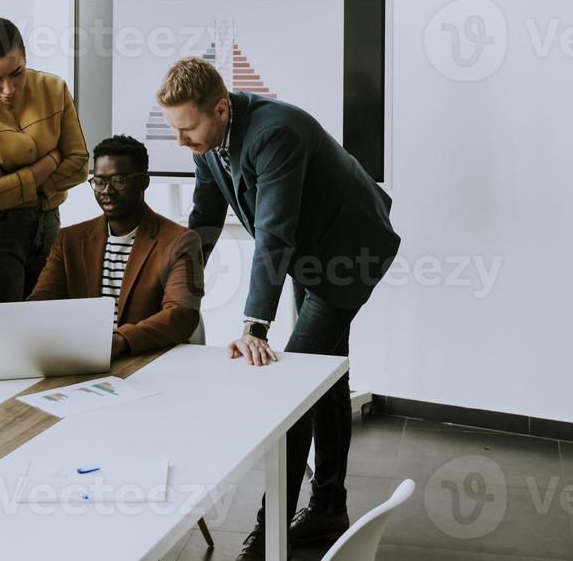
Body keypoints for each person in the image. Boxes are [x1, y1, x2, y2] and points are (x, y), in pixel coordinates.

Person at [157, 58, 401, 559]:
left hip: (348, 255)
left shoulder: (277, 132)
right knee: (324, 378)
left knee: (290, 390)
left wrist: (255, 325)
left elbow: (274, 233)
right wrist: (177, 287)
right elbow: (204, 220)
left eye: (187, 130)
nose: (181, 142)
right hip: (309, 256)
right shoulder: (208, 142)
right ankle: (330, 508)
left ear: (221, 108)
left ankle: (271, 535)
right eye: (174, 131)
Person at [0, 17, 89, 304]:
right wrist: (49, 161)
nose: (8, 89)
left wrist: (7, 174)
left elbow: (80, 166)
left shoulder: (54, 88)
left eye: (16, 73)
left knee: (48, 323)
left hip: (48, 223)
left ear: (25, 56)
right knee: (4, 329)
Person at [28, 135, 203, 355]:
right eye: (100, 181)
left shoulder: (179, 241)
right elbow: (40, 304)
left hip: (147, 359)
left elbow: (182, 314)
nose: (106, 191)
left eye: (119, 180)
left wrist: (120, 341)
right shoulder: (69, 240)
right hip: (81, 357)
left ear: (143, 182)